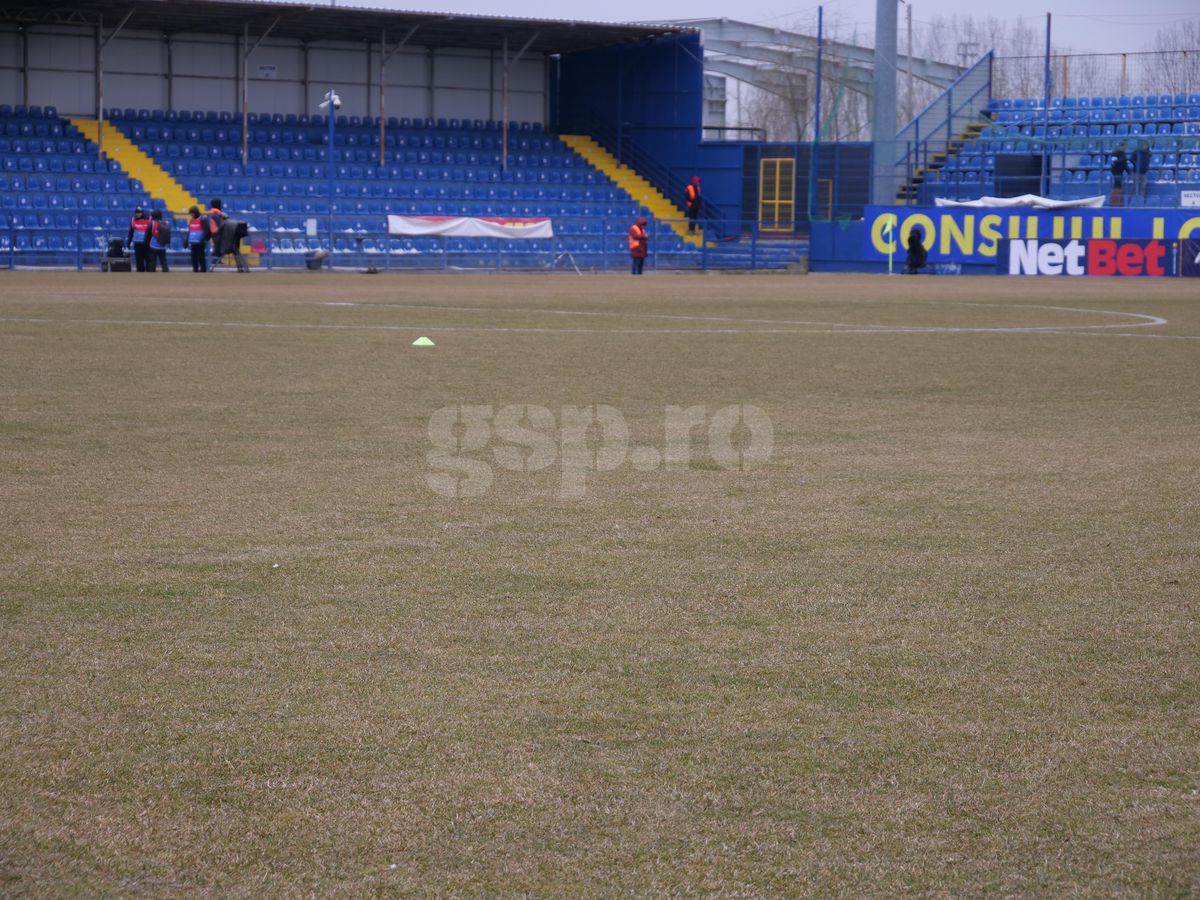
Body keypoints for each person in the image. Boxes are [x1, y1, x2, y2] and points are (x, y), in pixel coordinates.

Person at [207, 198, 249, 273]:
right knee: (233, 249)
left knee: (229, 248)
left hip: (220, 238)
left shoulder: (212, 215)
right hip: (223, 239)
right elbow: (218, 229)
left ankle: (213, 264)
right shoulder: (219, 215)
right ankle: (239, 267)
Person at [126, 205, 152, 272]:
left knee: (148, 261)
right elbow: (131, 232)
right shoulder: (133, 220)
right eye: (137, 213)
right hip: (137, 244)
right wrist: (128, 242)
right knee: (139, 261)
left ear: (142, 212)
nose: (138, 214)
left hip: (147, 244)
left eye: (139, 212)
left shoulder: (149, 219)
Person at [185, 205, 209, 272]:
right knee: (193, 255)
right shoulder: (191, 220)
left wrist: (202, 238)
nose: (191, 215)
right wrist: (186, 240)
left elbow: (206, 230)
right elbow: (190, 230)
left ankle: (203, 269)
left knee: (201, 255)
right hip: (193, 240)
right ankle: (195, 268)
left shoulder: (203, 219)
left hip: (200, 241)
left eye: (192, 213)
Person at [1110, 143, 1129, 207]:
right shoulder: (1115, 153)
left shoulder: (1124, 154)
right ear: (1120, 147)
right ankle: (1114, 202)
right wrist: (1122, 159)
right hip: (1116, 172)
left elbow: (1125, 165)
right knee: (1116, 186)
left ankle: (1119, 203)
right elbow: (1114, 162)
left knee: (1119, 186)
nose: (1125, 148)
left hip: (1121, 172)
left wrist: (1129, 172)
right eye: (1124, 147)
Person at [1132, 140, 1151, 204]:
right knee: (1134, 187)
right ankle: (1131, 201)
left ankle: (1141, 201)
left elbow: (1148, 161)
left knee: (1143, 187)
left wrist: (1146, 167)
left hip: (1144, 172)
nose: (1145, 146)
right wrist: (1136, 164)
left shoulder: (1148, 153)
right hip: (1136, 172)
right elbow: (1131, 159)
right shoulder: (1136, 152)